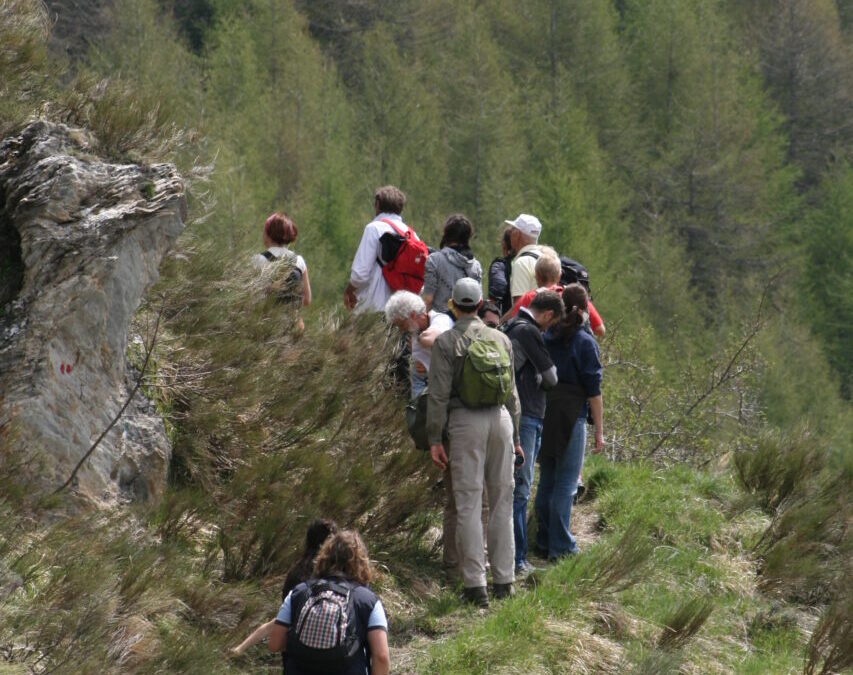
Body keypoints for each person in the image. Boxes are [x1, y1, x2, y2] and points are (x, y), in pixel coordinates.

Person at [427, 278, 523, 607]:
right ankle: (505, 581)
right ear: (481, 304)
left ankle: (475, 586)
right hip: (501, 421)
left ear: (452, 305)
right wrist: (518, 437)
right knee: (501, 504)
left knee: (468, 504)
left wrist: (434, 438)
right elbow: (513, 396)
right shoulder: (501, 339)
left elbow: (437, 396)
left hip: (464, 422)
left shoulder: (445, 342)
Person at [535, 284, 604, 561]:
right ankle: (561, 546)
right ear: (586, 309)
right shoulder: (586, 343)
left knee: (548, 478)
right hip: (572, 414)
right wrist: (599, 430)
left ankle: (543, 538)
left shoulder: (548, 335)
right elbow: (594, 392)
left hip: (545, 410)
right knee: (566, 483)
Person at [269, 530, 390, 675]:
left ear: (323, 557)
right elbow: (381, 657)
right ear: (362, 563)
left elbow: (275, 644)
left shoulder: (298, 592)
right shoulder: (368, 600)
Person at [502, 291, 563, 576]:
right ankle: (517, 561)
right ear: (548, 315)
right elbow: (551, 377)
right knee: (520, 489)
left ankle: (512, 558)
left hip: (519, 414)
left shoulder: (512, 325)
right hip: (526, 416)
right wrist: (541, 375)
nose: (550, 328)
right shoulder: (529, 331)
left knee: (515, 487)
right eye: (552, 323)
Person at [230, 519, 338, 660]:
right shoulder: (326, 572)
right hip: (318, 631)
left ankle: (238, 649)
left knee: (274, 623)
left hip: (293, 623)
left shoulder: (297, 569)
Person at [344, 185, 419, 314]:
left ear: (378, 203)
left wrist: (349, 290)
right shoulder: (411, 235)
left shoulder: (374, 229)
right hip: (402, 313)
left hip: (373, 309)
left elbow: (360, 274)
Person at [508, 254, 606, 338]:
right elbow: (600, 330)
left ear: (537, 276)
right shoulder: (575, 295)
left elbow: (511, 323)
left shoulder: (530, 297)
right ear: (559, 276)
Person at [384, 291, 453, 398]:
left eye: (402, 324)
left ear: (412, 315)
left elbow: (431, 339)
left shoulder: (440, 319)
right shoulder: (415, 331)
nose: (402, 330)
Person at [252, 212, 312, 329]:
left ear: (268, 234)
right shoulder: (299, 261)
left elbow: (251, 297)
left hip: (266, 326)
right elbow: (307, 300)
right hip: (292, 327)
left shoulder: (258, 260)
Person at [422, 214, 482, 312]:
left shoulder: (434, 260)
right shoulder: (476, 265)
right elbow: (478, 300)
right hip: (466, 322)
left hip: (440, 322)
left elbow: (428, 299)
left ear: (446, 234)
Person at [504, 214, 545, 304]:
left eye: (512, 230)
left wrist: (502, 319)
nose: (510, 234)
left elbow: (519, 306)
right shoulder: (545, 258)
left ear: (517, 234)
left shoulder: (522, 262)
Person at [487, 227, 515, 314]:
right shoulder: (532, 262)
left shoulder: (500, 266)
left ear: (504, 244)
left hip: (506, 320)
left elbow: (496, 291)